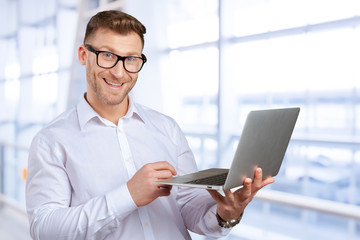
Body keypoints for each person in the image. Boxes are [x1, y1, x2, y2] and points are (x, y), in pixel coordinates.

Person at [26, 10, 274, 240]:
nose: (119, 72)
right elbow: (45, 229)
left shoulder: (167, 128)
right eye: (108, 56)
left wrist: (225, 213)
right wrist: (128, 195)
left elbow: (189, 208)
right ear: (84, 55)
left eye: (131, 59)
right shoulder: (51, 141)